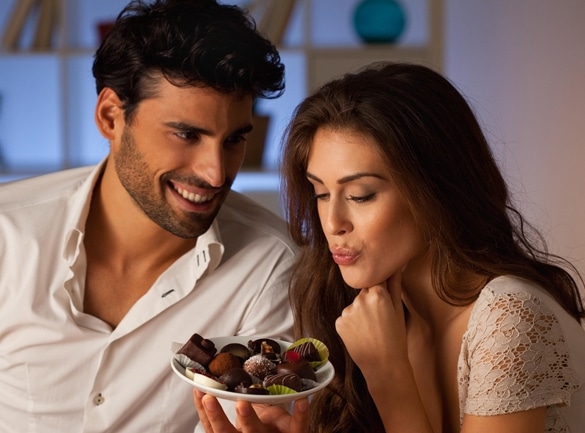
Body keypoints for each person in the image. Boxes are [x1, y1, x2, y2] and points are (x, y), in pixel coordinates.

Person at [194, 62, 585, 433]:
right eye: (321, 193)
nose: (332, 225)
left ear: (437, 191)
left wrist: (388, 375)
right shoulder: (382, 317)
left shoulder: (509, 317)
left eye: (361, 195)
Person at [0, 0, 297, 432]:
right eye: (187, 134)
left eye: (234, 139)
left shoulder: (270, 268)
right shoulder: (7, 233)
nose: (216, 172)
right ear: (110, 117)